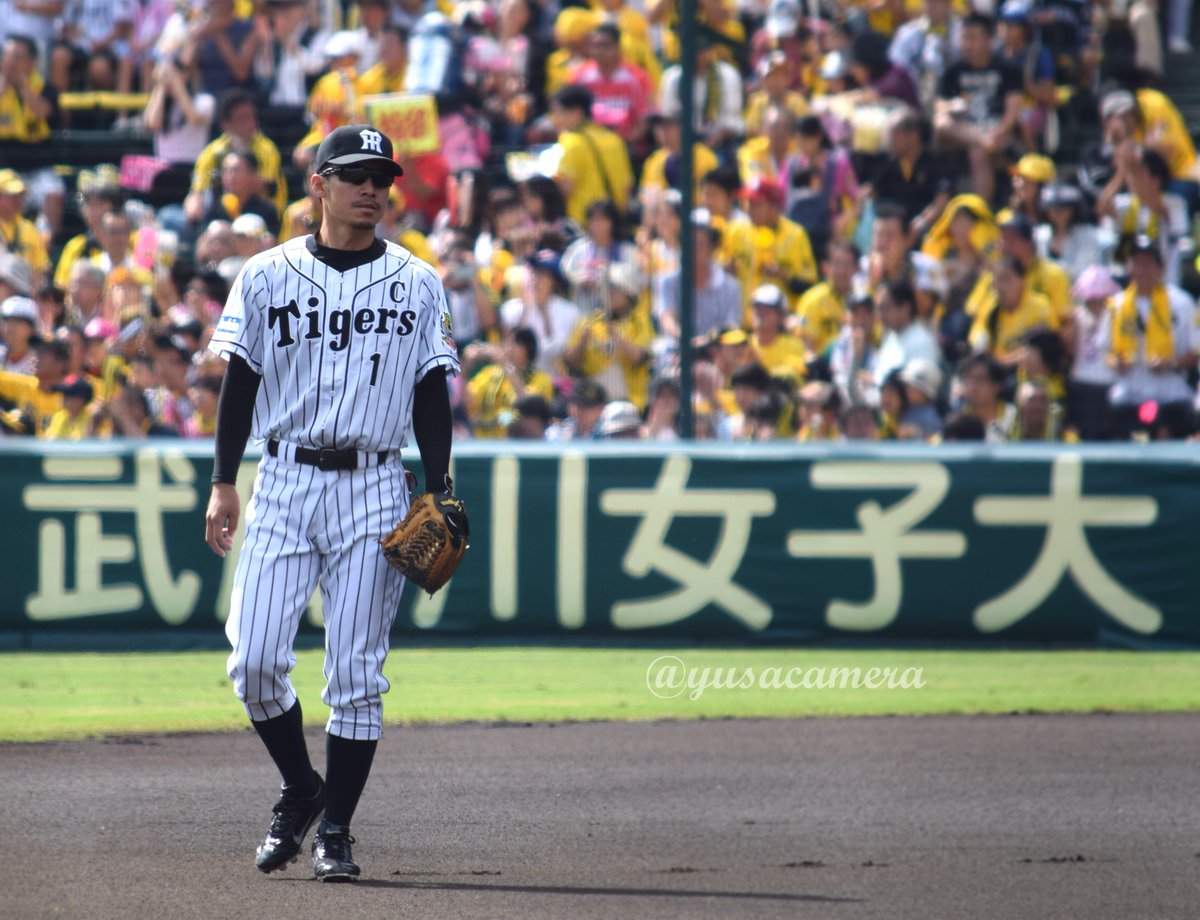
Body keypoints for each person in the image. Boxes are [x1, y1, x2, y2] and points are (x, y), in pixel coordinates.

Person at [204, 124, 462, 882]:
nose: (372, 189)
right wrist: (224, 481)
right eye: (355, 175)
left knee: (354, 674)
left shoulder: (417, 281)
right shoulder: (264, 275)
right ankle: (300, 786)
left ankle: (337, 829)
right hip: (282, 479)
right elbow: (240, 383)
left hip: (377, 485)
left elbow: (431, 392)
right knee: (252, 663)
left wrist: (439, 486)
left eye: (382, 177)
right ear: (318, 184)